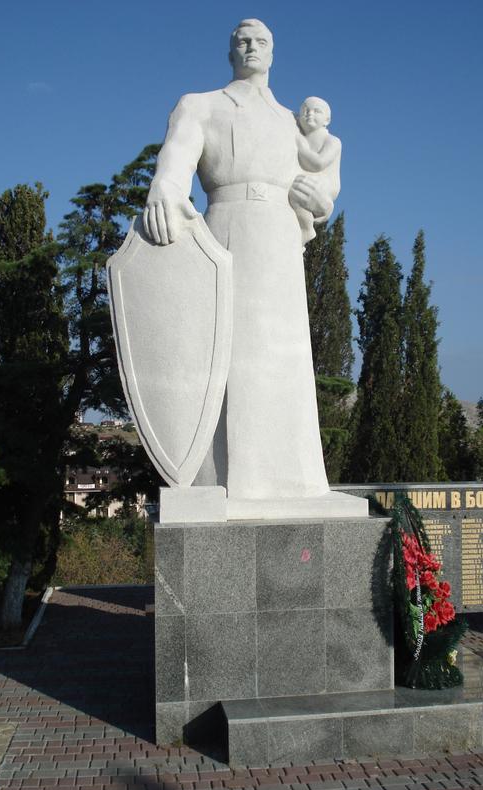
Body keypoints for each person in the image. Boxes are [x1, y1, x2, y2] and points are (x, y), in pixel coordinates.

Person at [142, 19, 339, 506]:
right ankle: (220, 479)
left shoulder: (293, 123)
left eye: (261, 41)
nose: (252, 47)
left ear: (273, 53)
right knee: (227, 360)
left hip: (280, 241)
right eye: (243, 41)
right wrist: (165, 188)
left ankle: (295, 480)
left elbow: (322, 188)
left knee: (285, 359)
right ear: (231, 52)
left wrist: (321, 202)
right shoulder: (201, 104)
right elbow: (175, 162)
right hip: (225, 234)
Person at [293, 96, 342, 245]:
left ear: (327, 120)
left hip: (326, 184)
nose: (309, 113)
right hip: (308, 179)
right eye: (305, 110)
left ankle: (306, 228)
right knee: (295, 192)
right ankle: (303, 226)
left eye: (316, 111)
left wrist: (301, 147)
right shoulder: (301, 136)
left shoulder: (332, 141)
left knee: (298, 191)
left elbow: (318, 163)